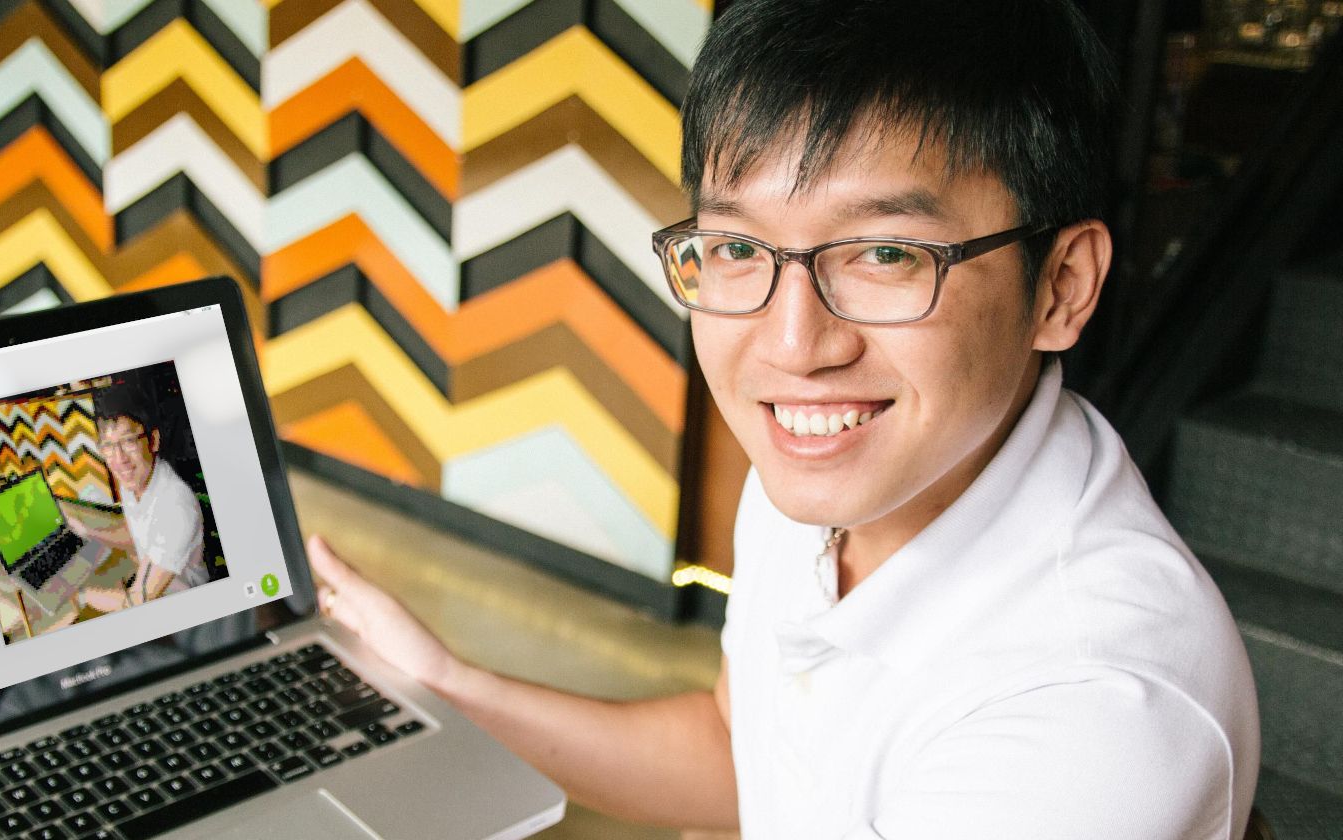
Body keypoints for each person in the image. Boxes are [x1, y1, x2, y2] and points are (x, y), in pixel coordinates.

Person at [307, 0, 1261, 836]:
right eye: (733, 246)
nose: (793, 345)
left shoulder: (1095, 712)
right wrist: (446, 684)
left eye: (885, 252)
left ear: (1061, 285)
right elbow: (739, 753)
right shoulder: (823, 478)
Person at [73, 383, 209, 611]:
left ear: (152, 440)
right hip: (152, 586)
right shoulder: (134, 480)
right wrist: (89, 532)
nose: (119, 459)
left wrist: (81, 596)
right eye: (108, 446)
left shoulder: (175, 506)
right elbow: (135, 533)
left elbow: (138, 600)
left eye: (128, 441)